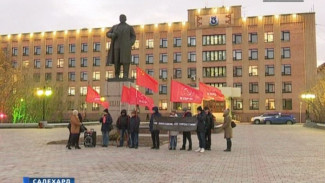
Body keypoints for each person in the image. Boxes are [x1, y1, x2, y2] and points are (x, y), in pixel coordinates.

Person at [106, 14, 136, 79]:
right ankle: (116, 75)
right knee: (116, 61)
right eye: (120, 17)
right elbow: (107, 33)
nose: (121, 18)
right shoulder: (115, 27)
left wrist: (130, 43)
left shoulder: (129, 27)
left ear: (125, 19)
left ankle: (125, 75)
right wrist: (112, 35)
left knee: (125, 61)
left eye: (123, 17)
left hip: (125, 47)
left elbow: (133, 36)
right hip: (116, 46)